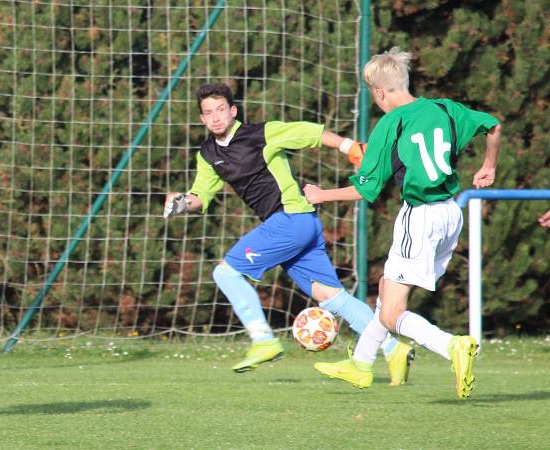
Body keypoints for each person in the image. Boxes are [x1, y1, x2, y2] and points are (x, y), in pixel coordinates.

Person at [164, 83, 414, 382]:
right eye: (208, 113)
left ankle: (263, 340)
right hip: (298, 225)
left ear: (233, 110)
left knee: (225, 273)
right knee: (330, 296)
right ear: (202, 119)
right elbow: (201, 194)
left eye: (221, 110)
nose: (216, 117)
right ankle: (392, 348)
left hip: (290, 219)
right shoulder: (207, 154)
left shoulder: (260, 133)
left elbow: (310, 132)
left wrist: (349, 146)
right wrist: (181, 203)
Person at [303, 47, 501, 399]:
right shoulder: (445, 108)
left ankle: (451, 345)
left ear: (379, 92)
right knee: (386, 291)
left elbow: (365, 190)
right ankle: (361, 365)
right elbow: (493, 125)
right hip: (450, 213)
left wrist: (321, 195)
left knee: (394, 311)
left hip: (419, 215)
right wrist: (489, 166)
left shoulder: (391, 124)